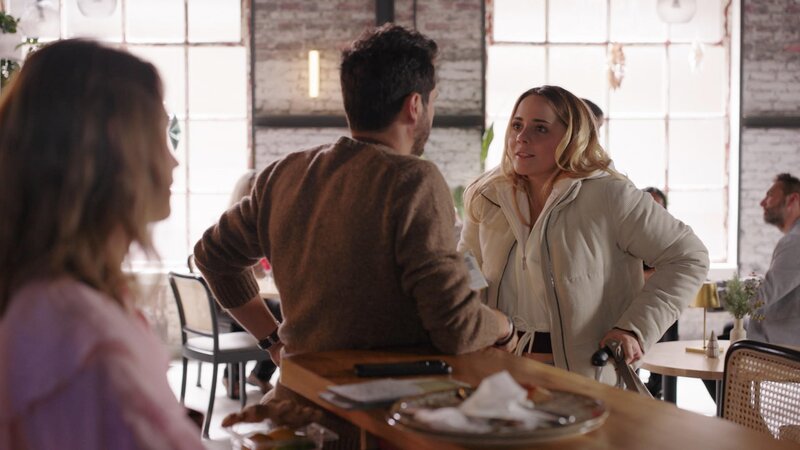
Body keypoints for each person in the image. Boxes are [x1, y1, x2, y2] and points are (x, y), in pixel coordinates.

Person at [193, 24, 516, 443]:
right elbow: (458, 327)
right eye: (433, 101)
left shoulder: (285, 173)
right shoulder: (413, 179)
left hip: (295, 409)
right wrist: (504, 326)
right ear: (414, 105)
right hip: (380, 423)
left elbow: (212, 255)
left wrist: (272, 339)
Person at [0, 40, 203, 449]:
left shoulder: (59, 304)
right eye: (158, 136)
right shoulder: (84, 338)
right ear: (113, 154)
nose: (174, 161)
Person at [458, 85, 709, 384]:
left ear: (571, 137)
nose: (521, 137)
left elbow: (688, 257)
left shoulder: (610, 195)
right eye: (517, 125)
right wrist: (470, 317)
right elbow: (468, 266)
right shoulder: (488, 196)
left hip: (585, 376)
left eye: (540, 128)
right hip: (498, 372)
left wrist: (634, 328)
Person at [748, 173, 800, 345]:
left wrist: (720, 294)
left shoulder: (795, 241)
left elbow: (762, 297)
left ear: (793, 199)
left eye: (770, 196)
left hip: (782, 350)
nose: (762, 202)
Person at [641, 186, 678, 398]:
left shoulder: (670, 238)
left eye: (658, 206)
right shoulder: (628, 235)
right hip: (629, 303)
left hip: (658, 302)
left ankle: (660, 387)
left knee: (669, 319)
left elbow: (673, 272)